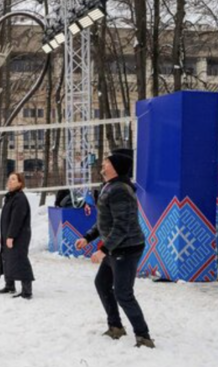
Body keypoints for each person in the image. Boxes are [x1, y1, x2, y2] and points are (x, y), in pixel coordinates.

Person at [76, 149, 155, 349]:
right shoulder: (109, 187)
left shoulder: (120, 189)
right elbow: (104, 221)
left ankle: (143, 337)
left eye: (107, 162)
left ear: (116, 168)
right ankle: (116, 327)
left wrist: (103, 249)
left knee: (123, 293)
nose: (102, 164)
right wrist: (88, 237)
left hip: (126, 248)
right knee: (102, 284)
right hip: (115, 247)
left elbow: (122, 225)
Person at [0, 172, 35, 299]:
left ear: (20, 183)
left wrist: (11, 236)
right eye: (9, 179)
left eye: (13, 179)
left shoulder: (19, 198)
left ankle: (27, 291)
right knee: (7, 258)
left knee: (20, 259)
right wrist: (3, 235)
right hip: (8, 235)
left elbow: (16, 220)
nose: (10, 181)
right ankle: (10, 285)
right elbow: (7, 219)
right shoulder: (11, 197)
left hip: (19, 236)